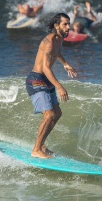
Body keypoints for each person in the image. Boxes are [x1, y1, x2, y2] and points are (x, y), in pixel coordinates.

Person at [25, 13, 77, 158]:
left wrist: (65, 64)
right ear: (56, 25)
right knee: (48, 115)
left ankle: (41, 145)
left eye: (69, 24)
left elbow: (57, 52)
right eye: (65, 24)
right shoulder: (48, 42)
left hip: (45, 80)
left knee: (57, 114)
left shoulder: (59, 40)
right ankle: (36, 150)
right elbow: (46, 68)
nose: (68, 27)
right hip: (36, 80)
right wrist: (59, 86)